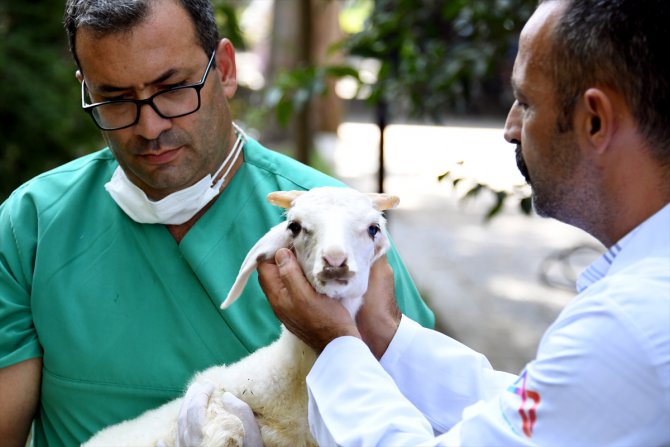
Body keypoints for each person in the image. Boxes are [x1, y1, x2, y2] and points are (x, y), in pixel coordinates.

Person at [0, 0, 435, 445]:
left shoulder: (335, 224)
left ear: (224, 70)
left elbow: (418, 414)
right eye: (114, 99)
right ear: (86, 88)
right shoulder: (31, 225)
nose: (149, 127)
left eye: (172, 88)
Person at [257, 0, 670, 445]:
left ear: (594, 121)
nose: (510, 128)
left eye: (526, 103)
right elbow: (542, 411)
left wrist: (336, 344)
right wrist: (384, 336)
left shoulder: (629, 323)